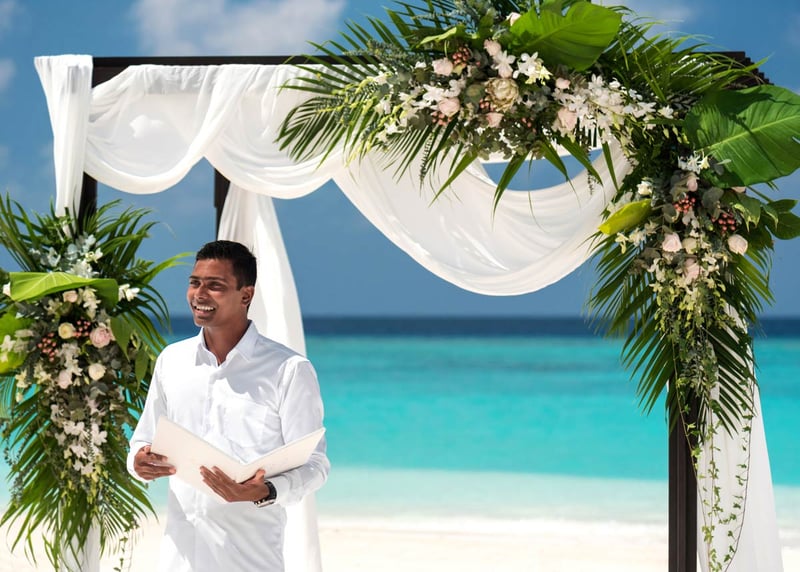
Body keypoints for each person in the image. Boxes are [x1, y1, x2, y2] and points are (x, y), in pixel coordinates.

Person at [127, 240, 329, 572]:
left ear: (246, 295)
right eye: (194, 282)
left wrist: (266, 490)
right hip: (179, 557)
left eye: (215, 286)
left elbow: (315, 465)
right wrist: (140, 462)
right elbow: (142, 439)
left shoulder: (289, 370)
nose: (199, 294)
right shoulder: (171, 361)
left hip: (249, 558)